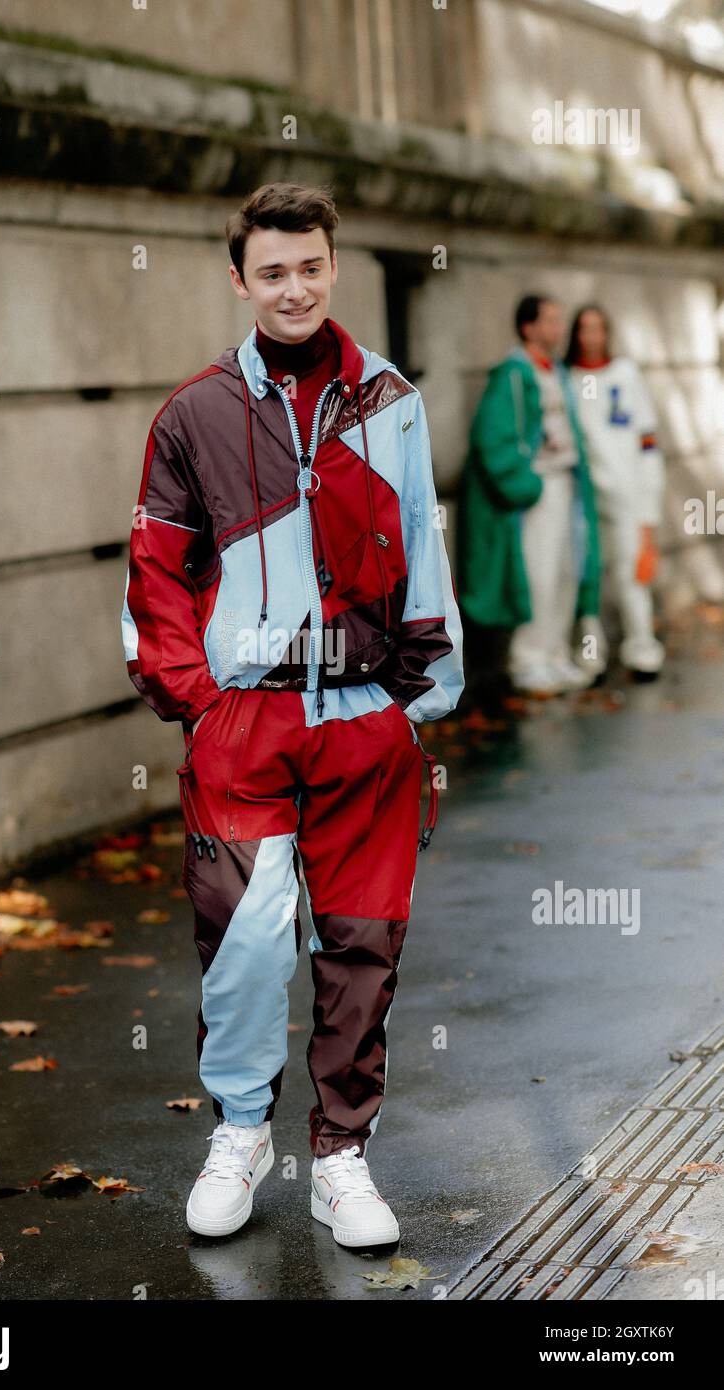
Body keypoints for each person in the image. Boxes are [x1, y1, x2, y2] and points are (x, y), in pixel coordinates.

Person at [121, 182, 464, 1246]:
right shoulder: (192, 414)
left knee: (361, 944)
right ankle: (238, 1133)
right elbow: (155, 572)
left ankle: (341, 1155)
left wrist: (421, 698)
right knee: (246, 942)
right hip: (243, 723)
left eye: (309, 265)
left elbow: (422, 544)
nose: (293, 287)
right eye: (270, 271)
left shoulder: (388, 399)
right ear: (239, 280)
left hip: (365, 713)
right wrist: (195, 701)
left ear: (331, 265)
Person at [457, 294, 601, 698]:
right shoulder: (512, 375)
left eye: (559, 320)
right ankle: (528, 659)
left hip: (566, 485)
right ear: (528, 327)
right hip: (537, 490)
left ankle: (555, 654)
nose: (558, 329)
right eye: (549, 321)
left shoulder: (555, 370)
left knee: (566, 570)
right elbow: (493, 439)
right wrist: (527, 485)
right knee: (537, 574)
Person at [565, 304, 666, 679]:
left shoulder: (626, 374)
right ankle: (591, 654)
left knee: (631, 573)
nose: (591, 337)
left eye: (598, 329)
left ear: (607, 334)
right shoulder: (569, 378)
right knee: (587, 574)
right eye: (584, 329)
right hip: (585, 494)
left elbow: (647, 439)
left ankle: (642, 650)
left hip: (627, 492)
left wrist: (649, 504)